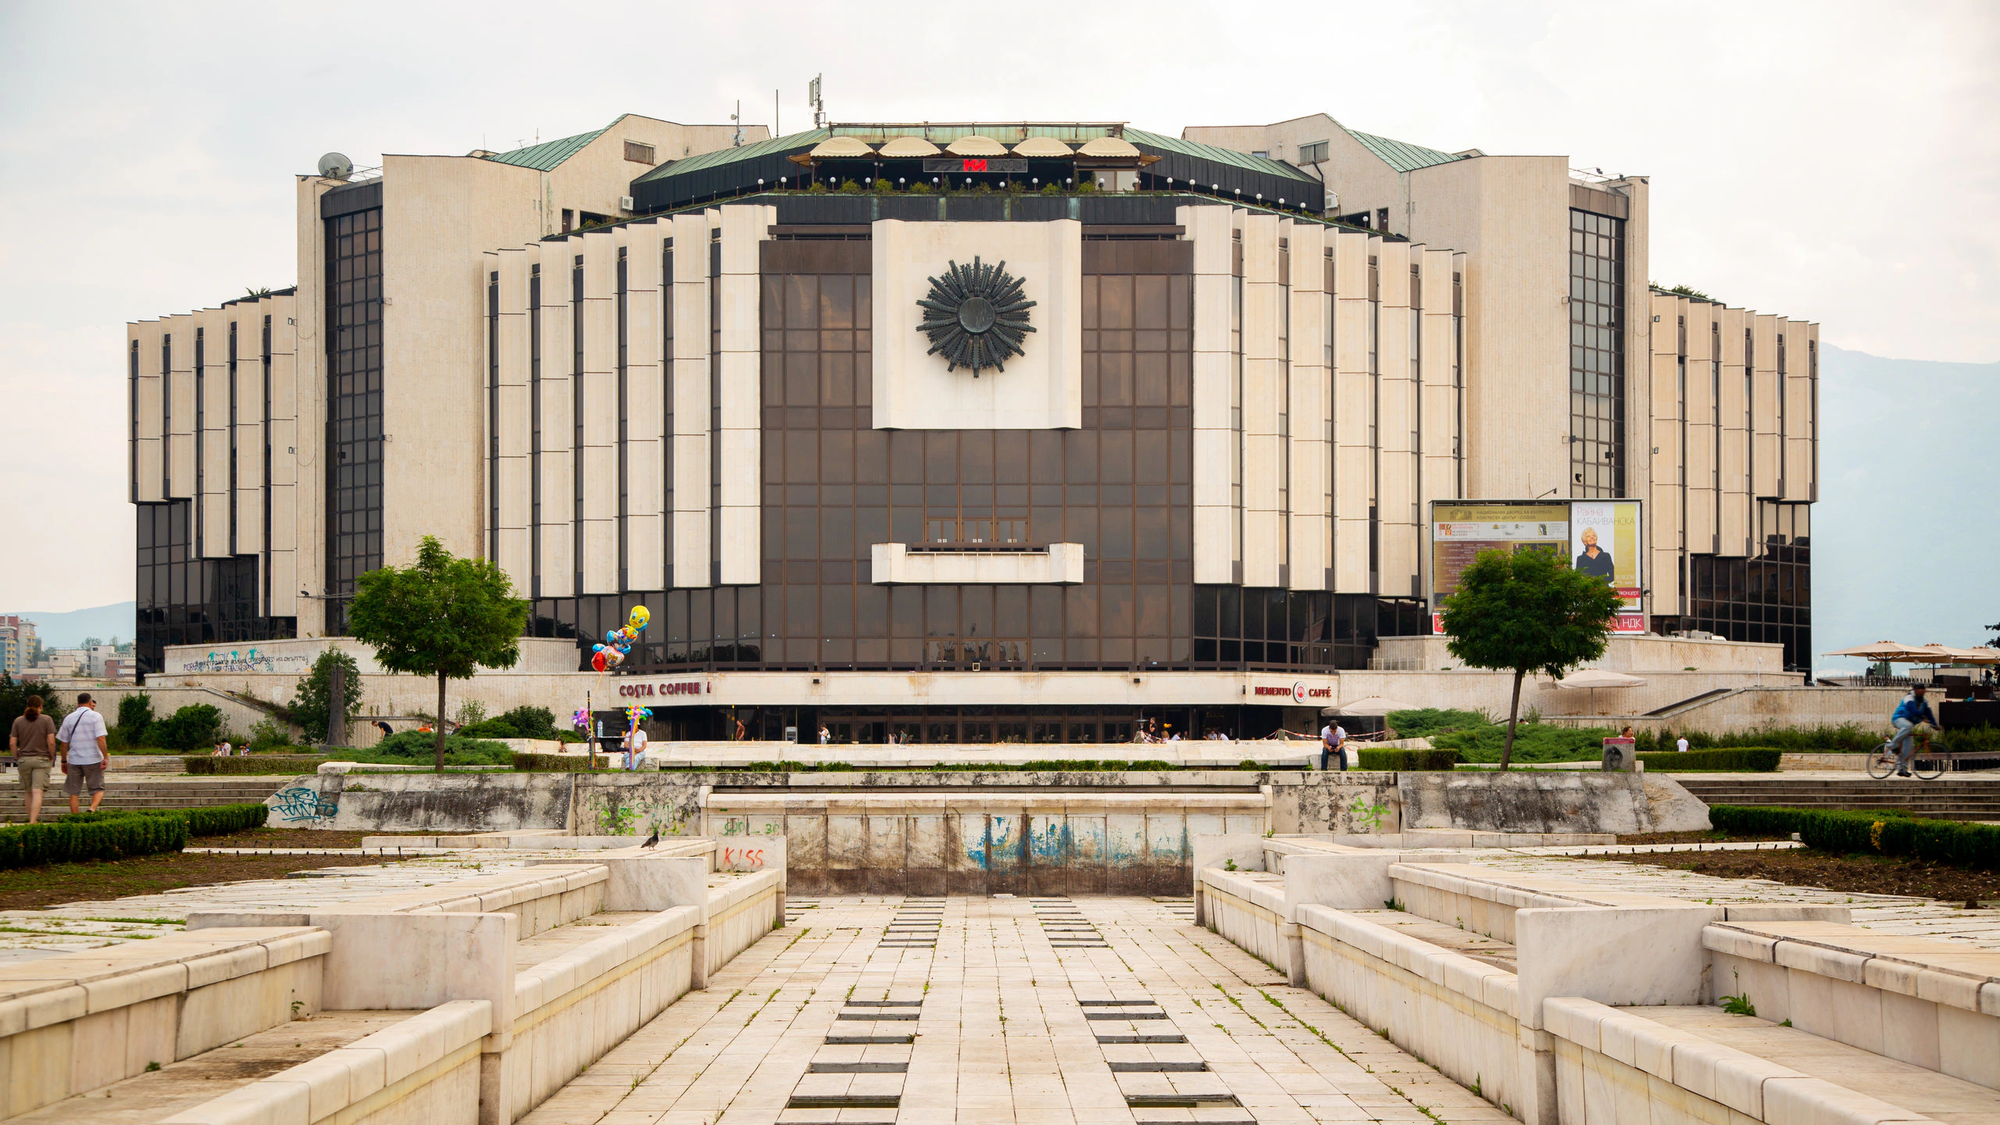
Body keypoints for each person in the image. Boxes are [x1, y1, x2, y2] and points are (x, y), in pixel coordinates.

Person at [56, 692, 111, 814]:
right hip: (93, 758)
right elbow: (101, 738)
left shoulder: (69, 718)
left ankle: (76, 818)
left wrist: (64, 761)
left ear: (77, 703)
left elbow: (63, 743)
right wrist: (105, 757)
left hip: (74, 760)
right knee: (98, 789)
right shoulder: (96, 716)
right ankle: (92, 808)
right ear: (91, 702)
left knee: (73, 792)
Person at [9, 694, 57, 824]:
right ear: (40, 706)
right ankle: (33, 821)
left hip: (24, 759)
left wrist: (17, 756)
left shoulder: (18, 721)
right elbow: (51, 741)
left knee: (28, 791)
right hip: (41, 759)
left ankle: (30, 819)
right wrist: (52, 756)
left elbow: (12, 743)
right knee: (37, 791)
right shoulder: (46, 720)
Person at [1886, 685, 1940, 777]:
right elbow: (1912, 709)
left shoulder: (1924, 701)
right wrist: (1922, 717)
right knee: (1908, 726)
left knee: (1909, 746)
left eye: (1924, 690)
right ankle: (1892, 745)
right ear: (1916, 690)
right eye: (1921, 690)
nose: (1923, 692)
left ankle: (1902, 769)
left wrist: (1934, 724)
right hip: (1899, 719)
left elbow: (1929, 713)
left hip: (1908, 725)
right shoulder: (1909, 698)